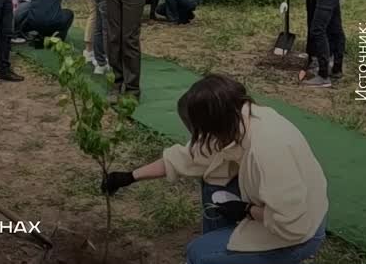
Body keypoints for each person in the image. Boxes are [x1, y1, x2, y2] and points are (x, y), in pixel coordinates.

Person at [102, 74, 328, 264]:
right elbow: (188, 157)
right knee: (213, 176)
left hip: (300, 234)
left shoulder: (268, 150)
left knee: (199, 254)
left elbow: (291, 224)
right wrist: (129, 177)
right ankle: (224, 243)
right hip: (285, 214)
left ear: (215, 124)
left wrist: (248, 211)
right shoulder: (239, 120)